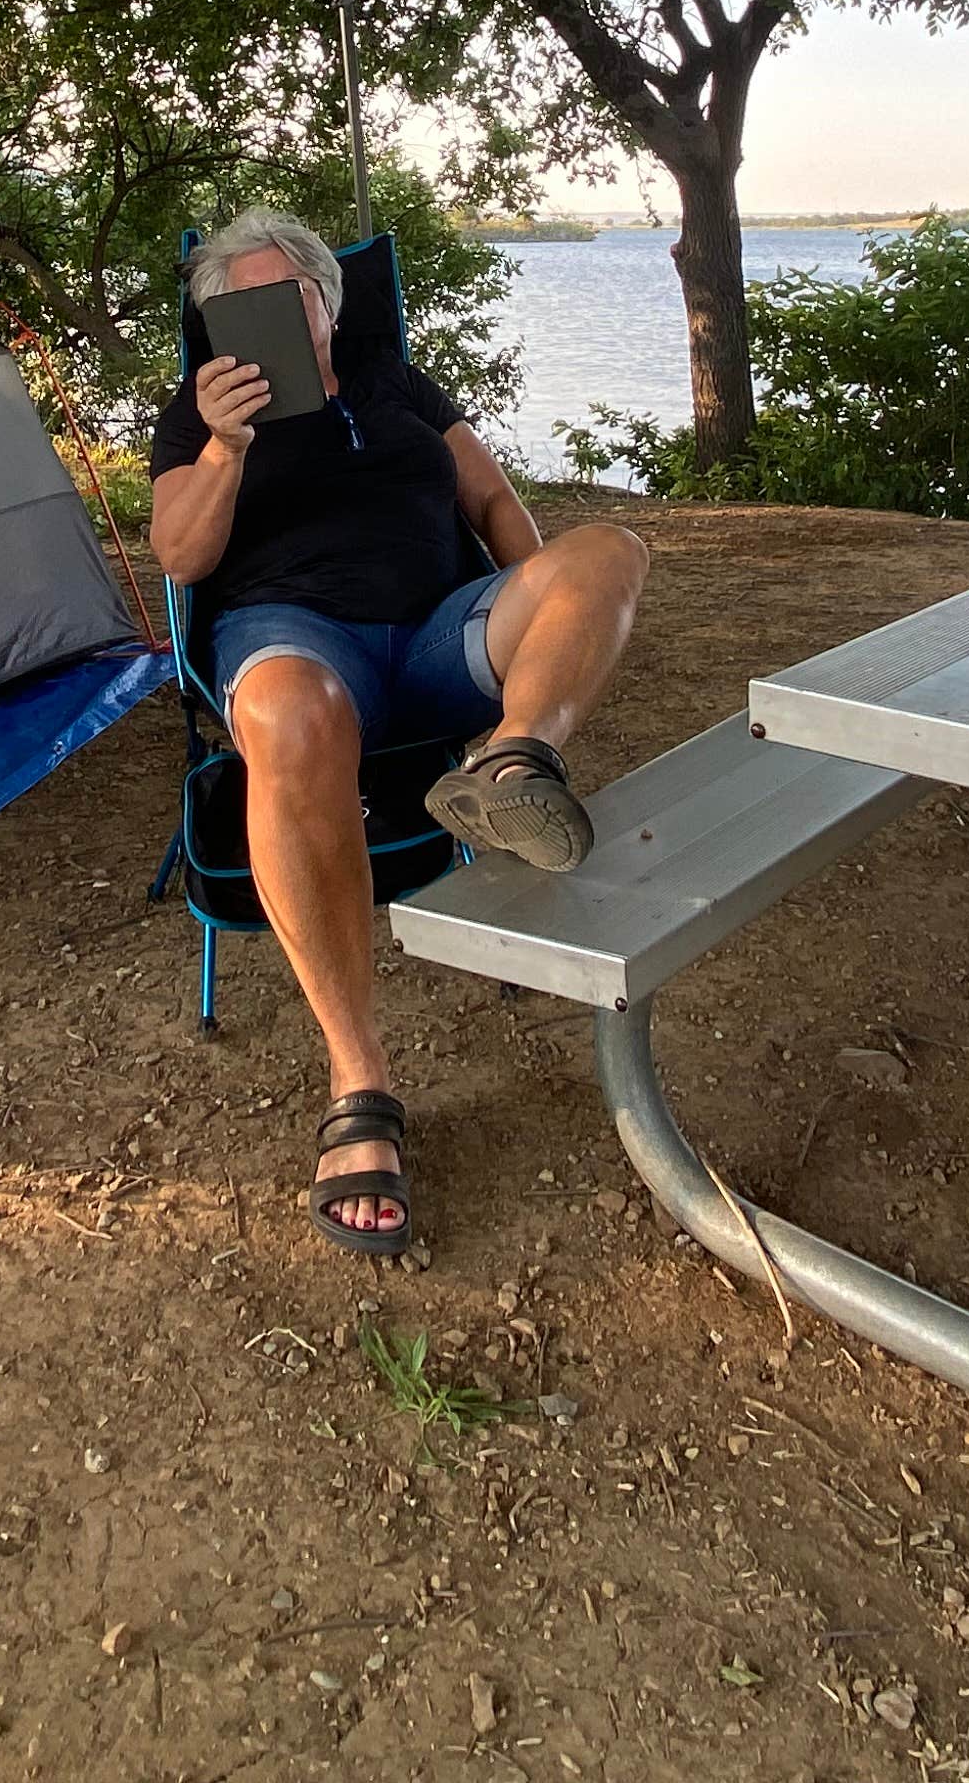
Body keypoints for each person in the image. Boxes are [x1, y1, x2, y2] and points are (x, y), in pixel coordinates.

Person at [148, 206, 648, 1261]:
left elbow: (494, 497)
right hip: (293, 638)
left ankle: (515, 755)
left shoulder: (396, 385)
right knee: (294, 711)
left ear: (330, 303)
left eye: (295, 295)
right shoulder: (195, 416)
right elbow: (185, 559)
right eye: (245, 303)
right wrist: (230, 448)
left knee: (609, 553)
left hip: (432, 638)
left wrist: (536, 594)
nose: (277, 315)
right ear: (219, 322)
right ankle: (358, 1075)